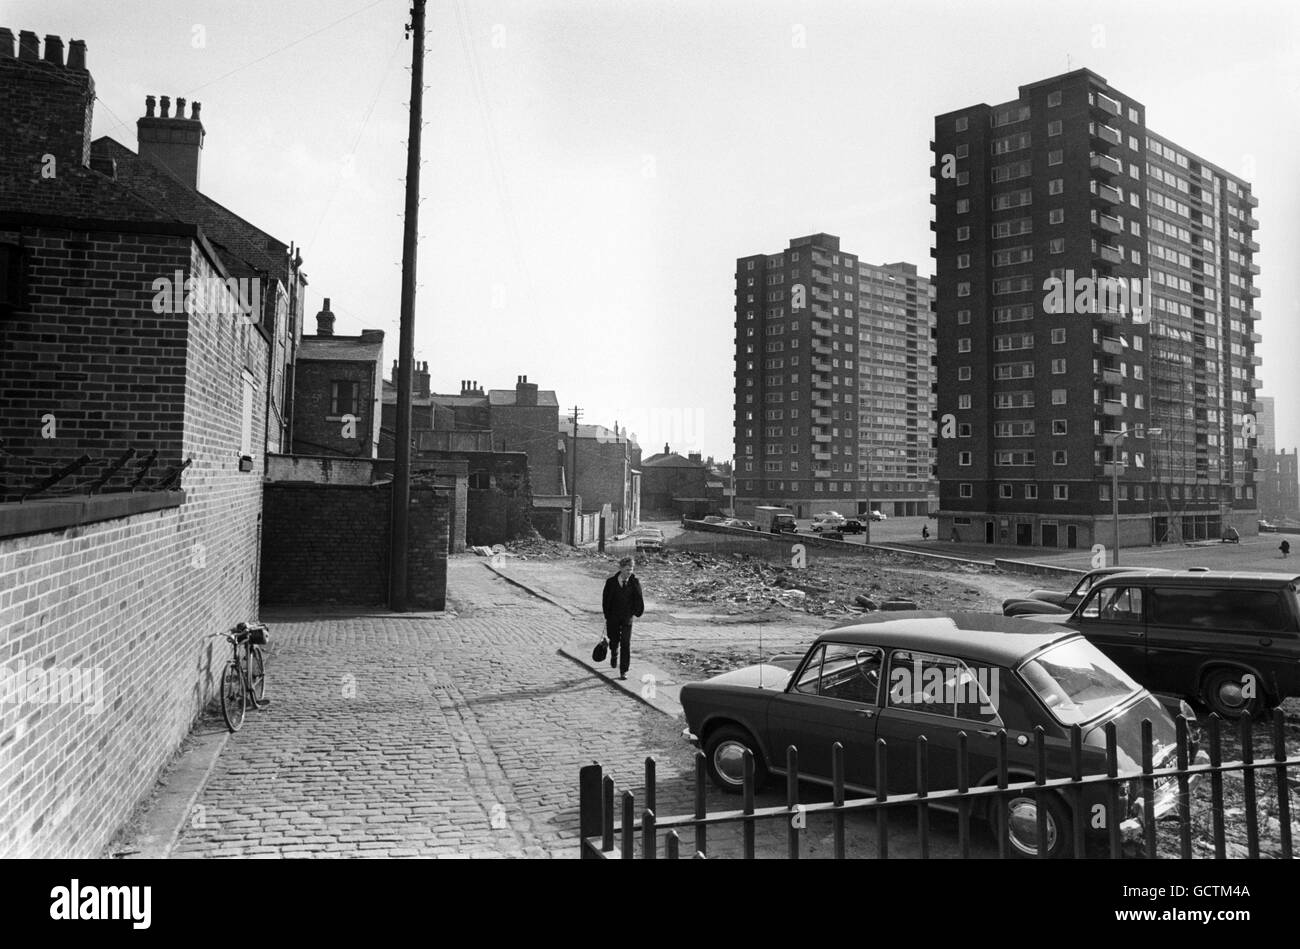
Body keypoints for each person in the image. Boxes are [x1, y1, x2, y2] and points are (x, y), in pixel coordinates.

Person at [602, 556, 644, 680]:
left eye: (631, 569)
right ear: (620, 569)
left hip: (627, 618)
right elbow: (605, 600)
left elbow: (639, 598)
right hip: (613, 617)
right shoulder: (611, 582)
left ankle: (623, 670)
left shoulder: (634, 582)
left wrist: (636, 612)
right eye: (627, 569)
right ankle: (614, 653)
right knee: (614, 640)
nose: (629, 572)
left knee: (626, 643)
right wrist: (607, 615)